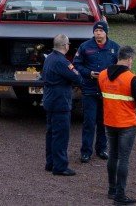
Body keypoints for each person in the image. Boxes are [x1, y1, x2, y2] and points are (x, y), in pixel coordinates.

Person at [99, 46, 136, 206]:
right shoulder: (131, 78)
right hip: (126, 124)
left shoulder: (103, 75)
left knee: (112, 155)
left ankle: (112, 190)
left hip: (109, 121)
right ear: (130, 59)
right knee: (123, 159)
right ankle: (120, 195)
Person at [73, 20, 119, 163]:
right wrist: (89, 73)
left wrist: (110, 75)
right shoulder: (85, 47)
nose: (98, 33)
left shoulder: (115, 47)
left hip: (107, 91)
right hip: (89, 90)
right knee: (89, 122)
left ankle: (102, 149)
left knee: (103, 121)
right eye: (96, 31)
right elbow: (77, 64)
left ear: (106, 32)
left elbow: (120, 67)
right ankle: (86, 151)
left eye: (100, 31)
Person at [43, 34, 83, 176]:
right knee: (61, 135)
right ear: (66, 46)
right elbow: (77, 77)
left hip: (50, 100)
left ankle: (51, 162)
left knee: (51, 133)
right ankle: (60, 166)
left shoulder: (49, 59)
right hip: (60, 102)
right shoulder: (62, 62)